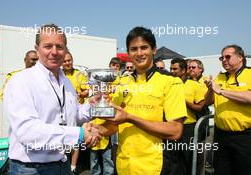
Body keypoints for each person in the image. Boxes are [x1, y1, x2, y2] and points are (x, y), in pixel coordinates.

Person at [3, 24, 101, 175]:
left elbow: (72, 116)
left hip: (63, 165)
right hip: (30, 170)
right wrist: (80, 135)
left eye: (59, 46)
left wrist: (92, 106)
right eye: (48, 46)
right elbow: (28, 132)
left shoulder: (67, 83)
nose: (54, 52)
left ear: (66, 50)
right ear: (37, 48)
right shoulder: (21, 81)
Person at [97, 26, 187, 175]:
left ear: (154, 50)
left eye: (144, 47)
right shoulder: (123, 82)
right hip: (124, 165)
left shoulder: (171, 82)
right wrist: (92, 131)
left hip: (156, 166)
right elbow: (114, 125)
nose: (139, 53)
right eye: (134, 49)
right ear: (128, 52)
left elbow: (175, 131)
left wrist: (131, 118)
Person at [204, 44, 251, 175]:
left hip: (244, 137)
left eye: (228, 56)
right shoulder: (220, 77)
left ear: (240, 57)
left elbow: (249, 97)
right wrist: (210, 89)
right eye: (222, 58)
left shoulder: (249, 74)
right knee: (221, 170)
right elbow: (208, 102)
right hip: (220, 135)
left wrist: (221, 91)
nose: (224, 60)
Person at [169, 58, 206, 175]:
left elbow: (200, 107)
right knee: (174, 161)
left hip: (188, 128)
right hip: (171, 127)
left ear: (184, 70)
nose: (172, 71)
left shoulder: (194, 85)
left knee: (189, 161)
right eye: (170, 68)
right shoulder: (169, 83)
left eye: (175, 69)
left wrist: (183, 101)